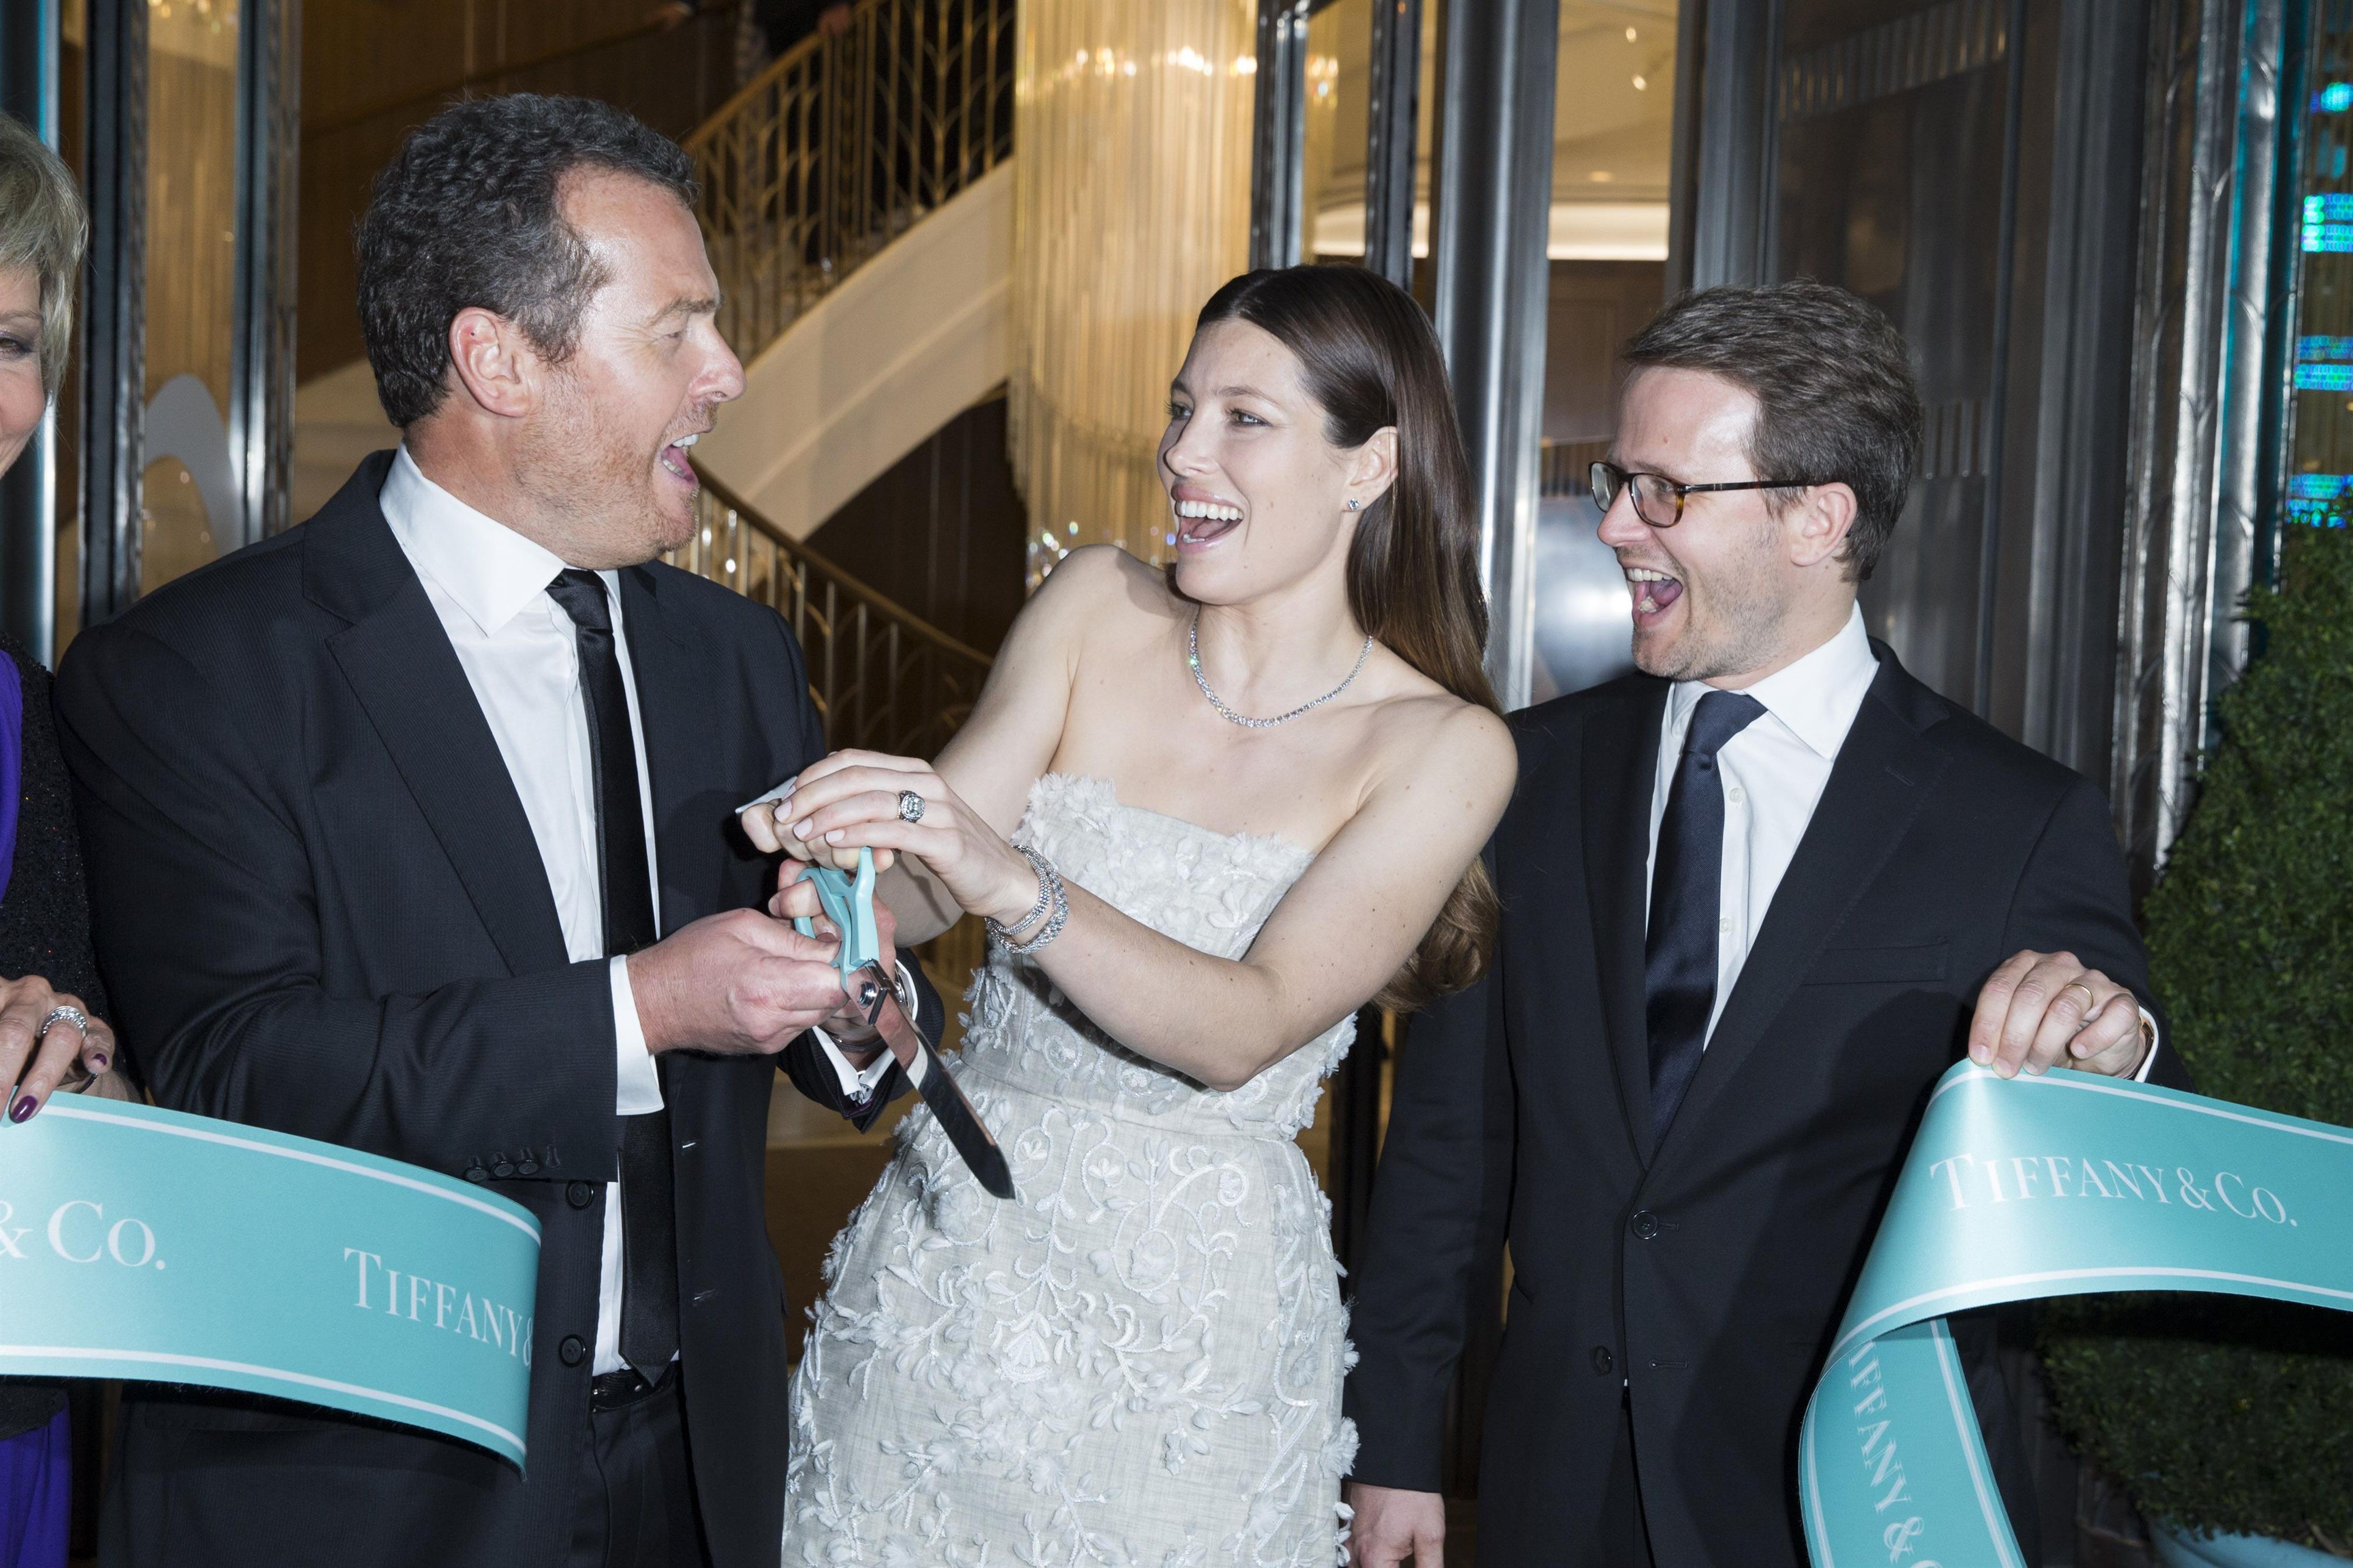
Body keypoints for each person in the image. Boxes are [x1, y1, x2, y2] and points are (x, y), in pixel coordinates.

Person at [55, 94, 939, 1568]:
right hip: (365, 1488)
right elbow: (232, 1073)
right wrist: (651, 1004)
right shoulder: (195, 673)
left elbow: (791, 1020)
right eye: (677, 331)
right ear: (498, 359)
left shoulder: (734, 655)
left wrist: (855, 1001)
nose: (726, 375)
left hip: (700, 1475)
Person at [1341, 279, 2194, 1568]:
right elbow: (1451, 1149)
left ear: (1814, 517)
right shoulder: (1522, 773)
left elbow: (2138, 1159)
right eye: (1612, 483)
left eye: (1663, 491)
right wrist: (1392, 1442)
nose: (1617, 526)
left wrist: (2113, 1049)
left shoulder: (2010, 819)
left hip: (1838, 1506)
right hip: (1556, 1494)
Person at [737, 264, 1517, 1564]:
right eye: (1179, 408)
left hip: (1189, 1349)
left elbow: (1243, 1027)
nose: (1179, 453)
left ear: (1368, 467)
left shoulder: (1443, 745)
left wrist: (1003, 877)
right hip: (946, 1281)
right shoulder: (1097, 606)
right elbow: (937, 882)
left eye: (1241, 419)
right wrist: (855, 887)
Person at [0, 108, 133, 1568]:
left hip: (15, 1417)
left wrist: (77, 1051)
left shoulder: (31, 716)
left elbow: (80, 1010)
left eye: (12, 342)